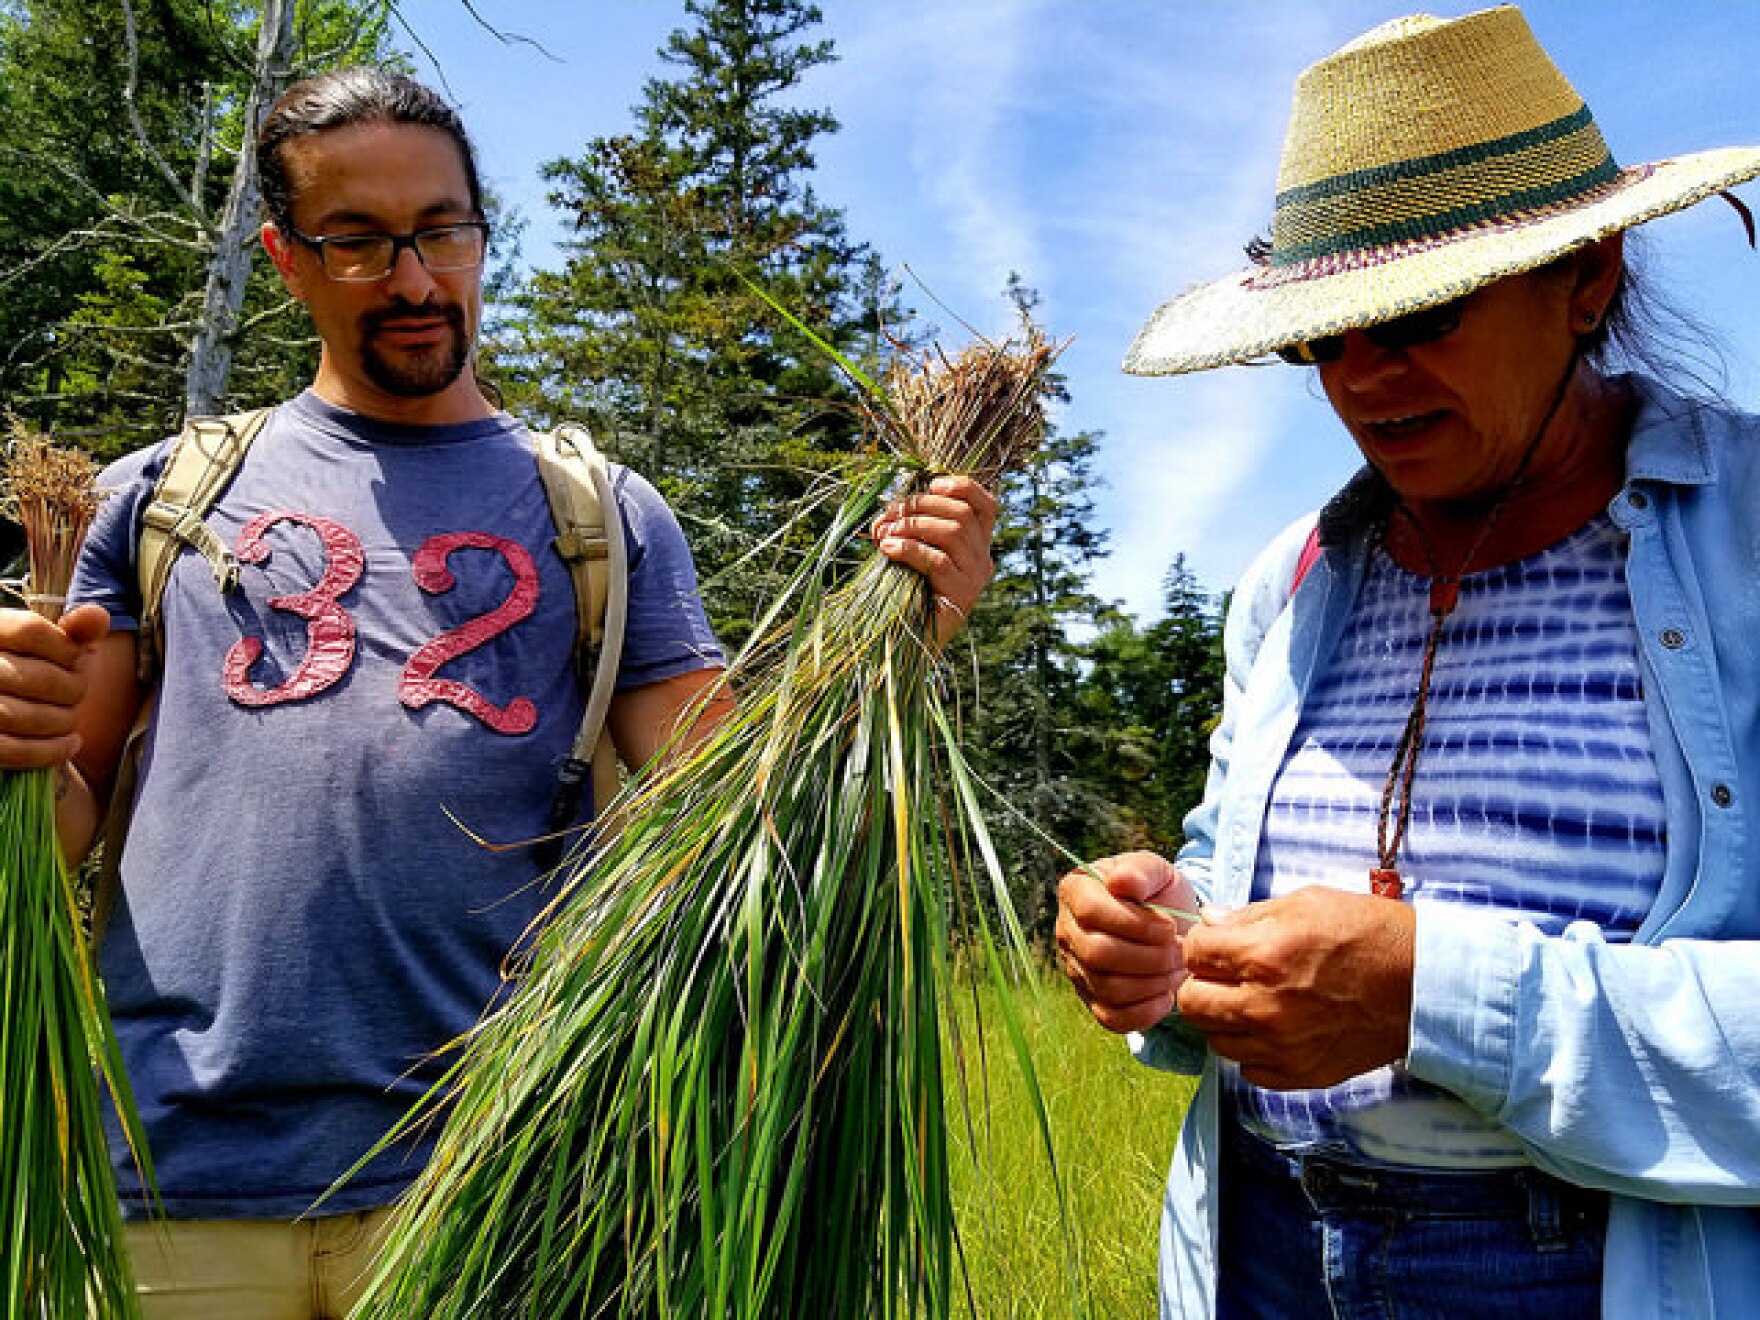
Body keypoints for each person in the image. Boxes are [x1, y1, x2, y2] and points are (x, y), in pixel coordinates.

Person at [0, 67, 997, 1317]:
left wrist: (905, 629)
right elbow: (62, 814)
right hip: (170, 1178)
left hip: (494, 1177)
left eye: (443, 233)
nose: (415, 282)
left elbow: (726, 806)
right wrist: (12, 736)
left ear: (481, 232)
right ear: (285, 255)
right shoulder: (165, 497)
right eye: (358, 243)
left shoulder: (599, 512)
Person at [1053, 8, 1760, 1318]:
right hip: (1266, 1255)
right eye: (1323, 337)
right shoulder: (1298, 580)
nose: (1364, 379)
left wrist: (1439, 993)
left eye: (1419, 314)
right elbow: (1227, 864)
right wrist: (1160, 931)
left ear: (1587, 276)